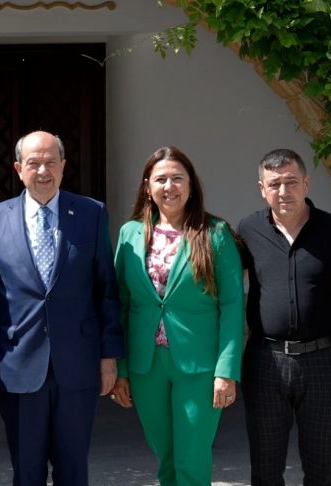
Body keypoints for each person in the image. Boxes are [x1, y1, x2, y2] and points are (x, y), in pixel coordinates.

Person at [0, 130, 123, 485]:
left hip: (78, 365)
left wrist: (109, 356)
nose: (43, 171)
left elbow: (106, 290)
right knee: (27, 472)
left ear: (63, 166)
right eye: (33, 163)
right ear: (18, 169)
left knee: (74, 471)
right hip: (18, 368)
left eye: (51, 162)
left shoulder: (91, 213)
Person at [110, 146, 244, 485]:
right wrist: (121, 369)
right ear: (147, 187)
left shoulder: (215, 233)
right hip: (146, 365)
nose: (169, 186)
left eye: (177, 178)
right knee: (166, 458)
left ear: (191, 184)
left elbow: (232, 305)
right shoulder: (129, 234)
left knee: (192, 459)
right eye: (160, 179)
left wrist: (226, 371)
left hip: (199, 366)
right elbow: (120, 304)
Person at [237, 148, 331, 486]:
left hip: (322, 361)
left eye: (291, 182)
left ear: (306, 183)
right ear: (262, 189)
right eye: (274, 184)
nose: (283, 191)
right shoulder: (248, 230)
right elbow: (225, 295)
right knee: (265, 471)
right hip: (265, 361)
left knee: (322, 471)